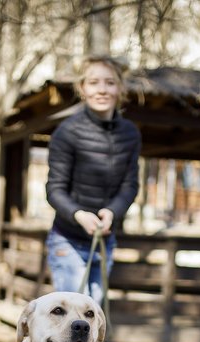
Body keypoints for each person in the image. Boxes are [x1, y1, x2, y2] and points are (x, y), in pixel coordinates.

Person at [45, 55, 141, 304]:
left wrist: (112, 211)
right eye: (94, 82)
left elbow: (130, 185)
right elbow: (55, 189)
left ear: (120, 88)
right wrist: (79, 214)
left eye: (110, 82)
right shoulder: (67, 132)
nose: (102, 90)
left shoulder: (130, 133)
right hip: (68, 239)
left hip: (104, 241)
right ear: (82, 88)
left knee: (93, 316)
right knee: (72, 318)